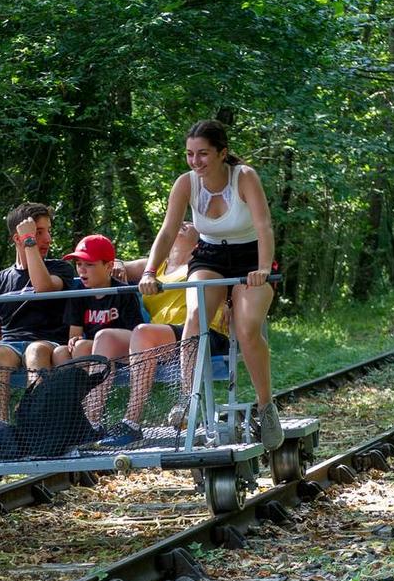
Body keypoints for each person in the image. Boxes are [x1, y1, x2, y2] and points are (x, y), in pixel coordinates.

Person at [136, 119, 283, 450]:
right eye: (190, 154)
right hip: (210, 256)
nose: (195, 161)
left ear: (222, 153)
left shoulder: (244, 177)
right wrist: (149, 271)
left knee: (246, 329)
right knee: (196, 315)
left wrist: (261, 269)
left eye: (202, 154)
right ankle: (189, 397)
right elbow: (168, 232)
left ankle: (266, 406)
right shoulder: (186, 184)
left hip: (250, 257)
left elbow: (264, 227)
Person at [95, 222, 231, 446]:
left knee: (142, 333)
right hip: (159, 337)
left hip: (201, 334)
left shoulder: (204, 263)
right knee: (105, 338)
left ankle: (131, 424)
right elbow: (116, 266)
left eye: (191, 222)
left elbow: (231, 276)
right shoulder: (156, 266)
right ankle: (92, 424)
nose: (185, 222)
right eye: (181, 221)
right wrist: (118, 264)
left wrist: (228, 300)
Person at [0, 202, 77, 421]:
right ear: (18, 238)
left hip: (48, 341)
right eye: (39, 233)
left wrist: (30, 242)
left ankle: (35, 424)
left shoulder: (60, 268)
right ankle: (1, 428)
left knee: (35, 351)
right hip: (10, 343)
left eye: (48, 232)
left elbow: (43, 287)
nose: (48, 240)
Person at [54, 234, 146, 426]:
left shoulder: (123, 292)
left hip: (124, 352)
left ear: (108, 266)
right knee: (64, 352)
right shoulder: (78, 293)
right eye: (79, 264)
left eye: (89, 264)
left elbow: (136, 334)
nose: (82, 270)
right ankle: (68, 419)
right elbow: (75, 334)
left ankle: (92, 420)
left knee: (102, 338)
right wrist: (75, 340)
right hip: (96, 353)